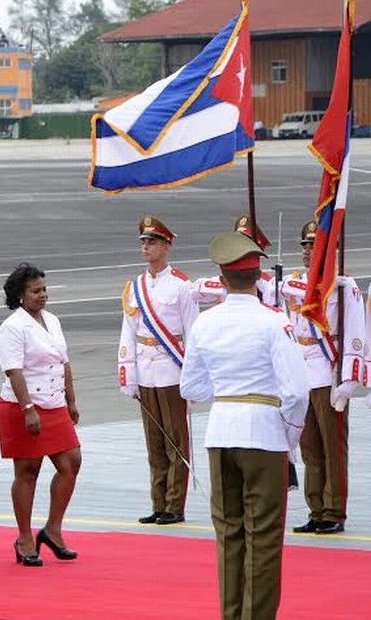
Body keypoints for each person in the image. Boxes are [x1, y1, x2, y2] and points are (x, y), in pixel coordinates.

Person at [180, 231, 309, 620]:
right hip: (264, 432)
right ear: (259, 276)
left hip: (221, 430)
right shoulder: (274, 322)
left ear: (221, 277)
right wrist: (288, 437)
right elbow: (297, 392)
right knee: (264, 537)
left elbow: (191, 387)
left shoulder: (206, 322)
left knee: (229, 534)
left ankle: (232, 614)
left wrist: (226, 392)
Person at [278, 221, 365, 535]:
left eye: (313, 245)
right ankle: (315, 508)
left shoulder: (343, 288)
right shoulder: (292, 284)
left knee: (332, 448)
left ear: (330, 252)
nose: (306, 250)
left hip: (328, 373)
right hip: (302, 373)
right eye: (304, 245)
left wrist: (348, 379)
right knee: (310, 447)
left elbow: (356, 333)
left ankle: (333, 511)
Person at [0, 263, 81, 567]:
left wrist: (70, 400)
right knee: (28, 470)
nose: (42, 295)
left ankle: (53, 529)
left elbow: (64, 361)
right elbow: (14, 371)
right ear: (20, 295)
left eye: (44, 289)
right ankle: (24, 537)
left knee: (71, 463)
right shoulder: (13, 327)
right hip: (24, 405)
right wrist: (28, 408)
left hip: (55, 403)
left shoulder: (52, 320)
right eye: (36, 291)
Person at [118, 216, 198, 525]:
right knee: (154, 440)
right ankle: (158, 502)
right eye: (143, 242)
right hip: (145, 370)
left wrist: (192, 376)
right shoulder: (135, 286)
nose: (145, 247)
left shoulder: (181, 286)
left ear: (166, 246)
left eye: (151, 242)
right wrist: (128, 371)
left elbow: (193, 333)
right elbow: (128, 330)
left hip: (171, 369)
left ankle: (174, 505)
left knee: (175, 441)